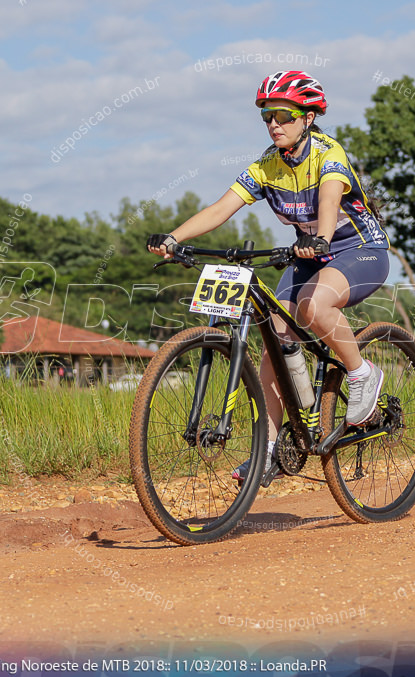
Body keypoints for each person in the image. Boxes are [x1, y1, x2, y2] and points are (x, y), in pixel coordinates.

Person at [146, 70, 390, 483]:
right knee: (274, 335)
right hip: (310, 254)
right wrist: (173, 238)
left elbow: (329, 202)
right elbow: (220, 209)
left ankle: (362, 373)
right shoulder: (267, 165)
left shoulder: (329, 156)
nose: (274, 124)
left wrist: (321, 239)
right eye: (267, 116)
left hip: (358, 250)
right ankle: (273, 450)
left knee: (314, 306)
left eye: (284, 115)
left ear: (308, 118)